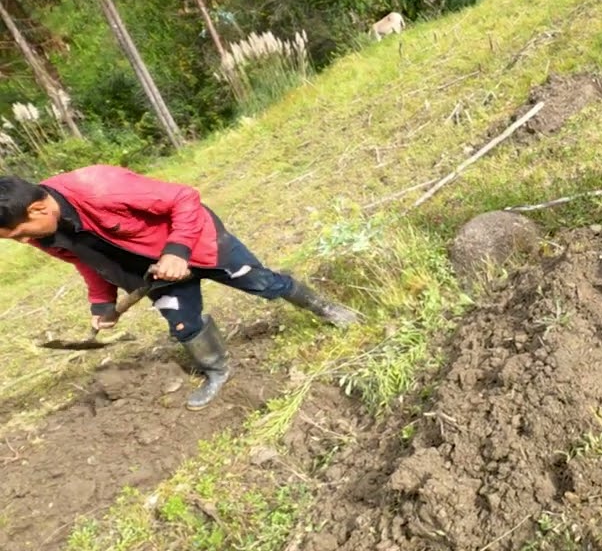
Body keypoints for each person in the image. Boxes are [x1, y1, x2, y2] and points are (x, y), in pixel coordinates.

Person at [0, 165, 358, 410]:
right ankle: (217, 369)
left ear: (36, 209)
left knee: (262, 282)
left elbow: (184, 198)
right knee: (183, 325)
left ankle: (325, 308)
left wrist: (177, 251)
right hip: (151, 272)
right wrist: (101, 303)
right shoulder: (41, 234)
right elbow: (85, 260)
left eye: (17, 233)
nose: (19, 241)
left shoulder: (97, 186)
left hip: (199, 243)